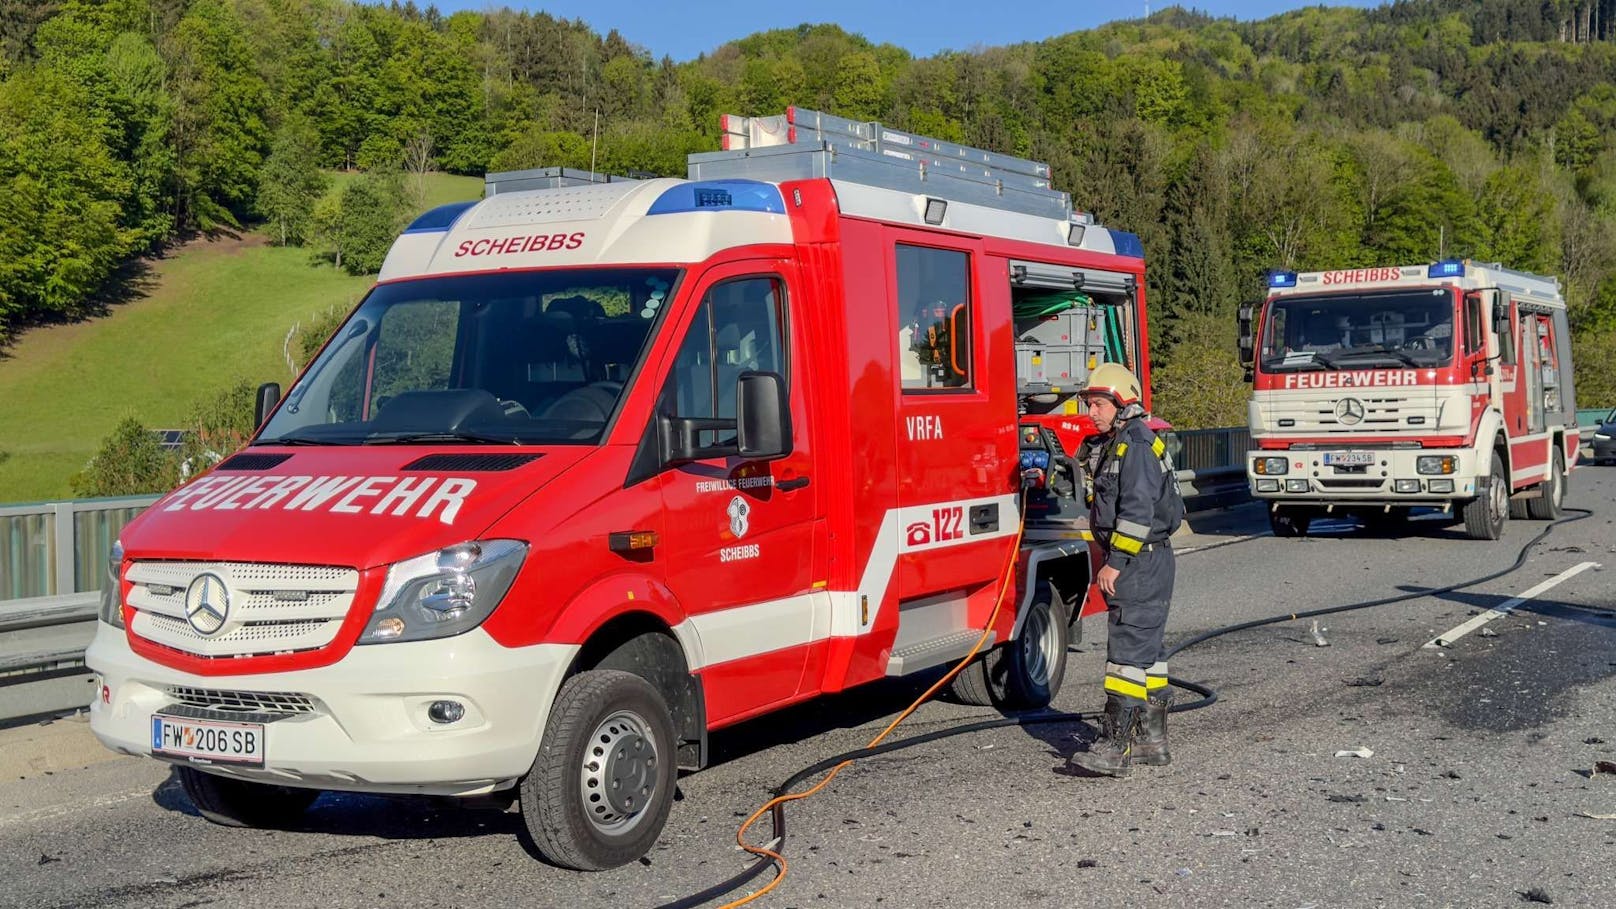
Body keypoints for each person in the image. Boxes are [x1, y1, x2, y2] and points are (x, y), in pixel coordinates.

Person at [1069, 363, 1184, 779]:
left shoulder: (1133, 446)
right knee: (1149, 655)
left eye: (1098, 404)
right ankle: (1152, 743)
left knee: (1126, 657)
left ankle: (1113, 746)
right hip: (1150, 558)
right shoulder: (1126, 440)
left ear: (1122, 404)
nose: (1091, 412)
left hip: (1138, 560)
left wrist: (1114, 563)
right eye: (1089, 404)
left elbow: (1136, 511)